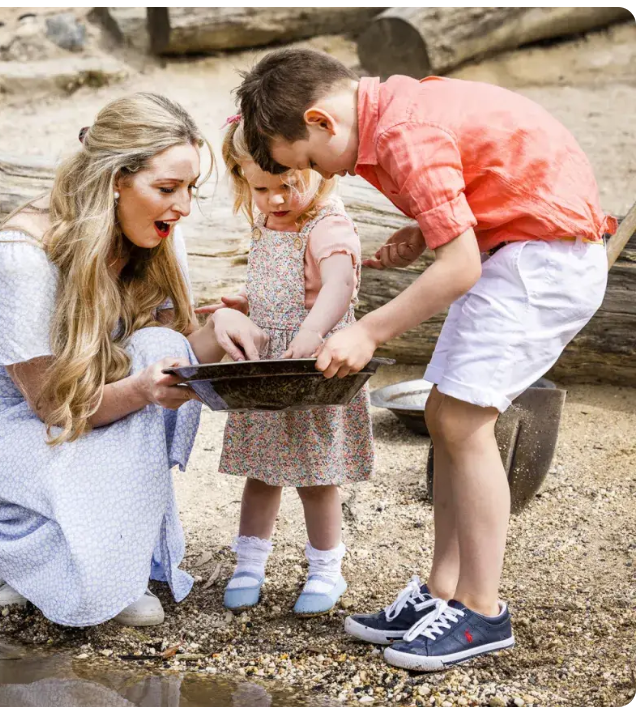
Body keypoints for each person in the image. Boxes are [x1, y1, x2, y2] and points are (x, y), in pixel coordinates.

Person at [236, 48, 612, 670]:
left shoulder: (403, 133)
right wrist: (429, 229)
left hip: (543, 261)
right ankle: (443, 591)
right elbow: (479, 195)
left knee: (465, 422)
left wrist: (370, 333)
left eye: (305, 160)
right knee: (444, 414)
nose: (325, 175)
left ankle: (482, 611)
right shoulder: (397, 110)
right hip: (517, 249)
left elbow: (460, 268)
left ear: (322, 120)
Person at [0, 93, 271, 628]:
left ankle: (98, 549)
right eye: (167, 188)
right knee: (88, 590)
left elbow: (171, 357)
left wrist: (217, 331)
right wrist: (140, 392)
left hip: (80, 401)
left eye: (189, 190)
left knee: (158, 348)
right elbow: (55, 409)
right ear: (115, 180)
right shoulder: (20, 260)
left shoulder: (155, 234)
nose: (182, 206)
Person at [200, 115, 372, 617]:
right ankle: (249, 563)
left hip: (314, 365)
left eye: (287, 185)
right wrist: (249, 301)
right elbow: (283, 283)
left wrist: (311, 334)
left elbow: (339, 285)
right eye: (261, 188)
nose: (276, 199)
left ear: (315, 168)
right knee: (261, 472)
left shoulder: (328, 224)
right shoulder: (267, 220)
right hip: (267, 363)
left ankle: (326, 570)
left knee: (316, 478)